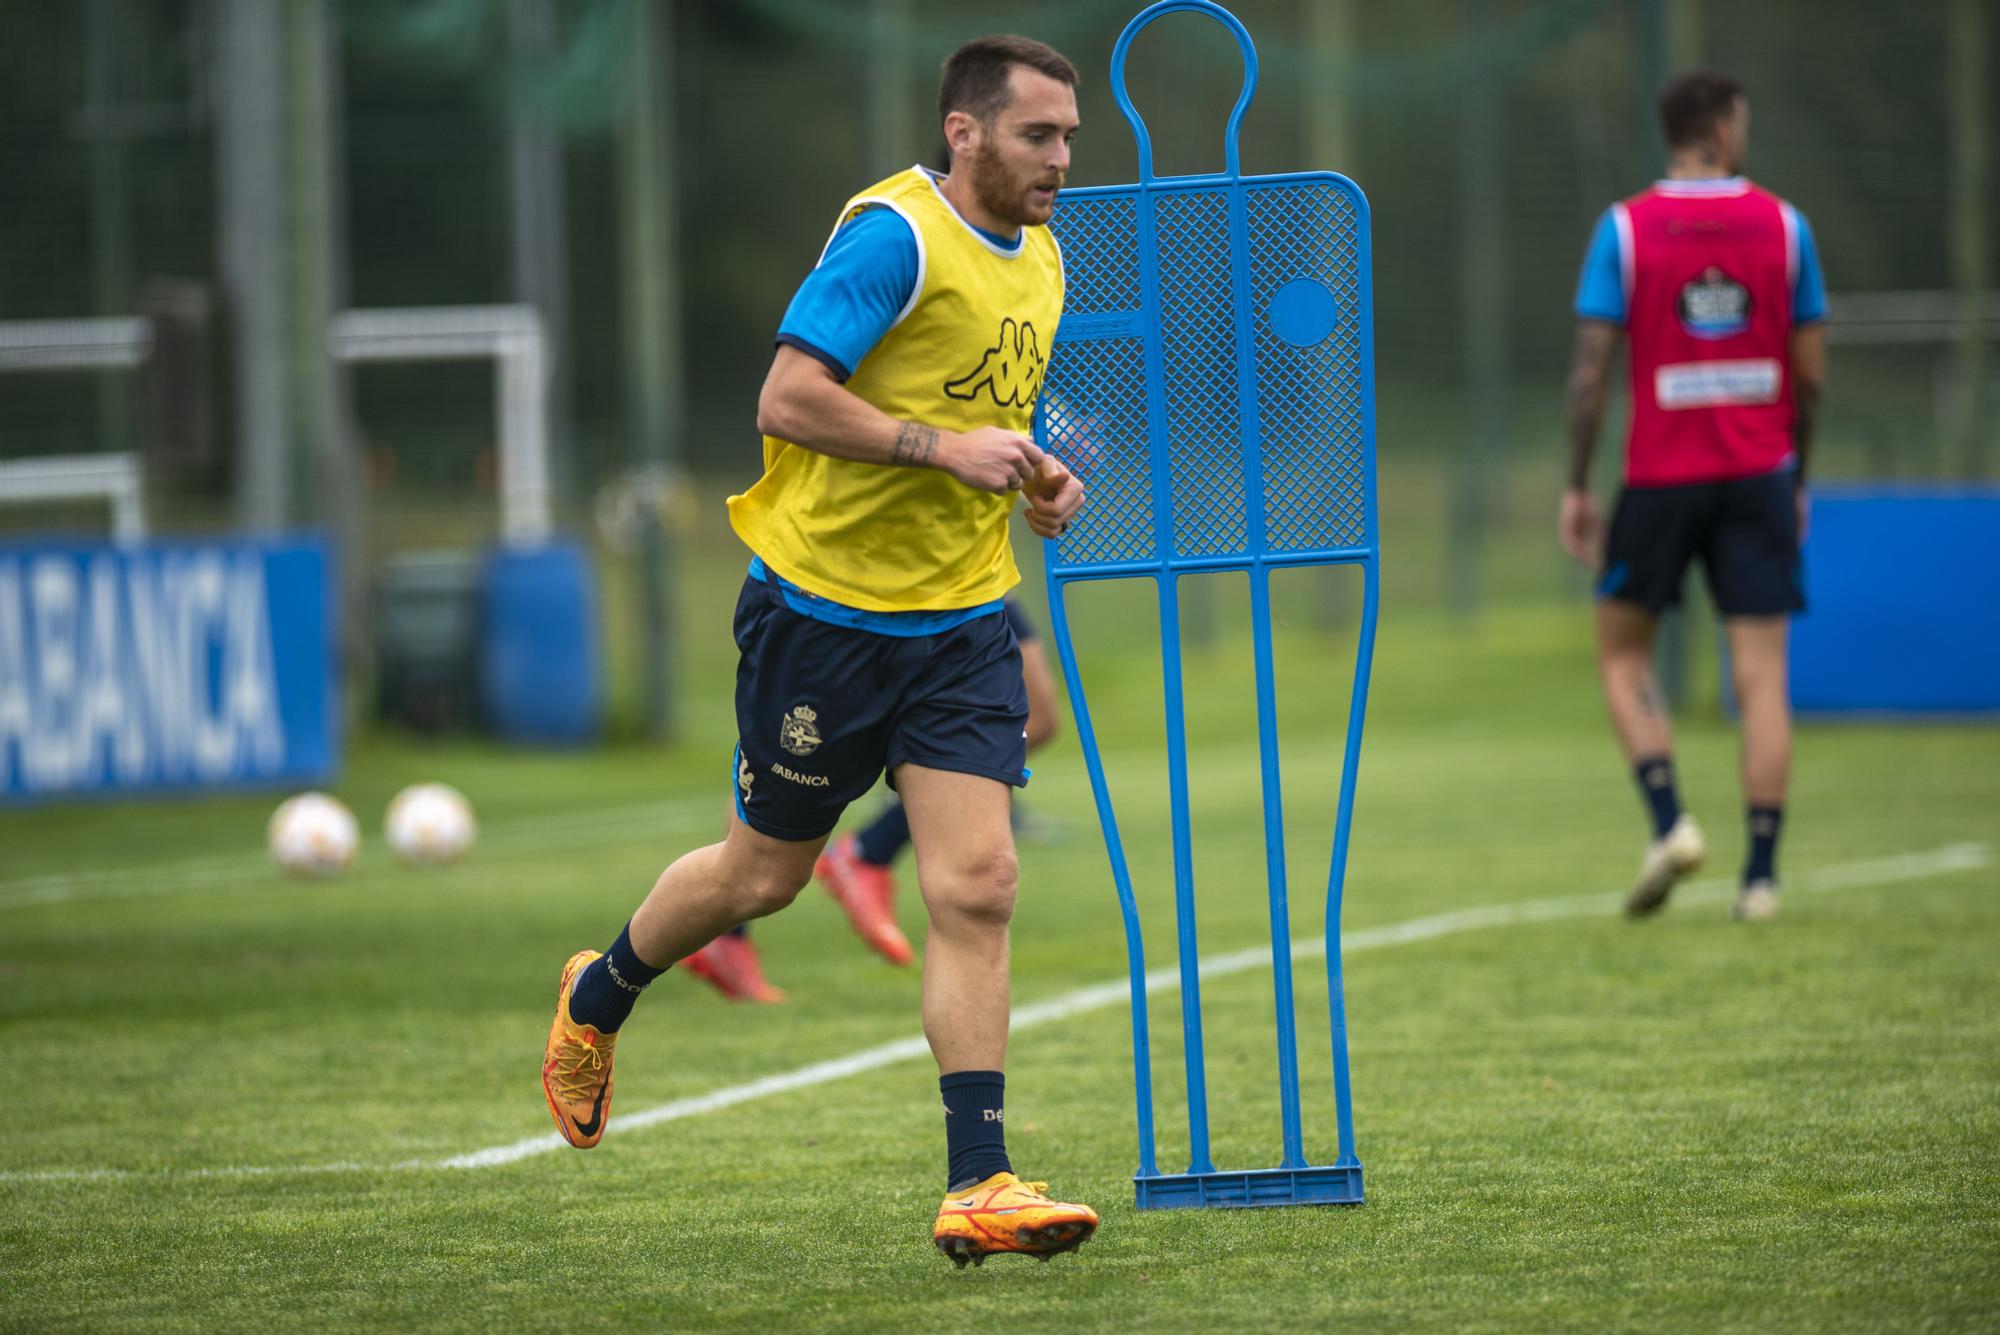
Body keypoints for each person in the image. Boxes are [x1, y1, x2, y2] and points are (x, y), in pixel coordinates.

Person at [541, 35, 1099, 1267]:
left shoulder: (1045, 258)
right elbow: (786, 398)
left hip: (958, 623)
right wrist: (934, 448)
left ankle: (979, 1183)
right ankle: (600, 995)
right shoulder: (892, 237)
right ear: (964, 132)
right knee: (761, 879)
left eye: (1067, 137)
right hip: (821, 621)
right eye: (1036, 136)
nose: (1062, 159)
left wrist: (1034, 481)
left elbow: (987, 426)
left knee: (979, 886)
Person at [1561, 70, 1826, 923]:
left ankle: (1671, 821)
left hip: (1661, 478)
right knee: (1761, 677)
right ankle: (1759, 878)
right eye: (1741, 121)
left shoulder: (1625, 229)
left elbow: (1590, 373)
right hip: (1759, 477)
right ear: (1720, 127)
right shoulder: (1786, 228)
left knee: (1621, 653)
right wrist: (1798, 476)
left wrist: (1576, 483)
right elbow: (1811, 378)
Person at [680, 597, 1059, 999]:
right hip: (840, 590)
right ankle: (668, 961)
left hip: (969, 577)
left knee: (1036, 719)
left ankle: (868, 852)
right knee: (782, 766)